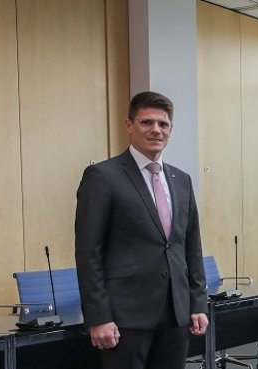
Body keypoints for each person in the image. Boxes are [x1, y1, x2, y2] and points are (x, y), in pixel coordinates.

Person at [75, 91, 208, 369]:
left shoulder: (181, 180)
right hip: (125, 318)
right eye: (147, 122)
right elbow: (89, 253)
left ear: (171, 130)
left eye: (163, 124)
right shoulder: (103, 176)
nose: (156, 130)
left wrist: (197, 304)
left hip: (175, 314)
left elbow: (191, 248)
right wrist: (99, 317)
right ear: (129, 125)